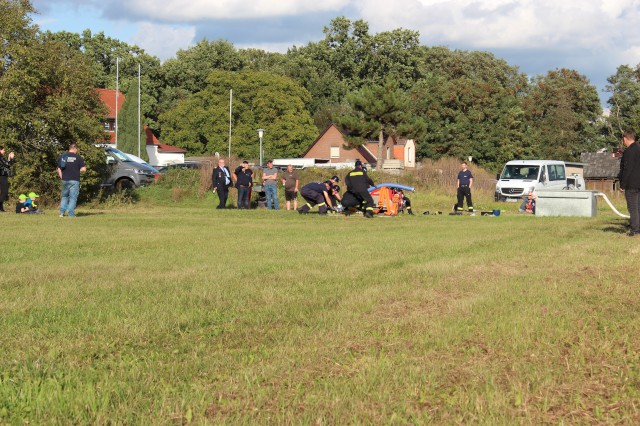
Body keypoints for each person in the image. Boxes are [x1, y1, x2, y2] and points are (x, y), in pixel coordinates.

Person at [619, 130, 640, 236]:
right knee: (638, 206)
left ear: (625, 139)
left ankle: (635, 229)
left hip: (631, 184)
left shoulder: (629, 152)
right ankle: (637, 226)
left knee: (633, 207)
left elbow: (627, 169)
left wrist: (622, 185)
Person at [57, 143, 86, 218]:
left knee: (64, 196)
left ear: (69, 149)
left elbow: (59, 169)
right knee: (73, 197)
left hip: (65, 180)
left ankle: (61, 213)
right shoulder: (78, 157)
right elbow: (83, 169)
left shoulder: (63, 156)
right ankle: (71, 214)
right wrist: (79, 170)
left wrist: (62, 177)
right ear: (75, 149)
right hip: (74, 180)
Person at [0, 145, 15, 212]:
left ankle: (1, 208)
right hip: (2, 176)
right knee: (5, 192)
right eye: (3, 150)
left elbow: (6, 165)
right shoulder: (0, 157)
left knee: (3, 192)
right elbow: (7, 164)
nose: (4, 151)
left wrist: (9, 159)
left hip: (2, 176)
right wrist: (10, 158)